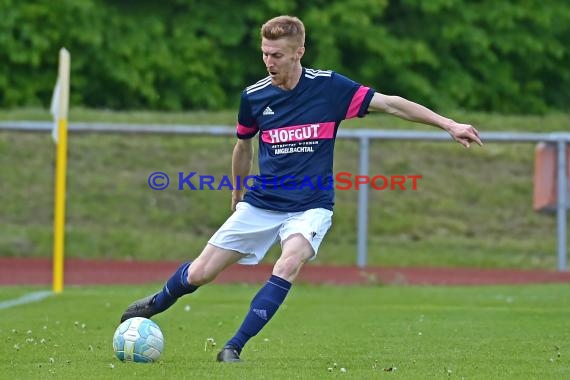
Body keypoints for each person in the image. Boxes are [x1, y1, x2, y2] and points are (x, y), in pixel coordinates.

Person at [119, 15, 483, 362]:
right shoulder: (255, 96)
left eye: (276, 54)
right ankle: (156, 303)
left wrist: (448, 123)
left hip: (310, 205)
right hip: (262, 202)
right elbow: (243, 145)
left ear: (299, 52)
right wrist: (237, 190)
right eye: (264, 53)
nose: (268, 61)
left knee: (288, 262)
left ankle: (233, 348)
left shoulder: (329, 88)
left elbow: (391, 104)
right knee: (201, 273)